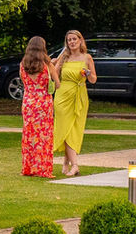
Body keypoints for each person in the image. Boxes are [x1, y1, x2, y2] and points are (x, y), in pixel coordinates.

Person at [51, 31, 95, 177]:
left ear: (80, 40)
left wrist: (88, 74)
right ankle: (75, 165)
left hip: (80, 95)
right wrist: (53, 62)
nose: (72, 42)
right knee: (65, 128)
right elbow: (55, 75)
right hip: (63, 95)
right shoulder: (64, 57)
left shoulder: (87, 58)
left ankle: (66, 162)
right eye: (69, 40)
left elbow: (94, 79)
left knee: (74, 130)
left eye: (74, 39)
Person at [18, 37, 55, 178]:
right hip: (44, 102)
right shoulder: (47, 65)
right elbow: (56, 84)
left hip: (28, 102)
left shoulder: (23, 64)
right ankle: (43, 169)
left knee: (29, 134)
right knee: (44, 136)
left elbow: (24, 82)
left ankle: (28, 168)